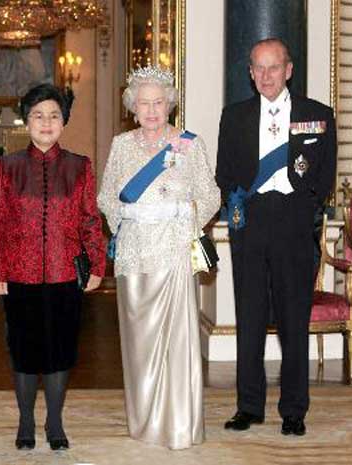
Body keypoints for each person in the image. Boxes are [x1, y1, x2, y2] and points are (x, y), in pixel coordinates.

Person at [216, 38, 336, 436]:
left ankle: (294, 410)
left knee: (292, 321)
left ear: (288, 70)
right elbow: (226, 174)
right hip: (250, 225)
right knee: (249, 318)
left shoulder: (317, 115)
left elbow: (324, 177)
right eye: (258, 68)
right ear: (250, 73)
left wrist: (303, 212)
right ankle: (248, 406)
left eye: (273, 67)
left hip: (293, 226)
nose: (266, 76)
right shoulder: (233, 117)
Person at [98, 66, 220, 450]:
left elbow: (211, 194)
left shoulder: (189, 144)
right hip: (135, 253)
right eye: (144, 103)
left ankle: (180, 424)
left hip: (173, 252)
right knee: (140, 343)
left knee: (178, 343)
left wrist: (186, 217)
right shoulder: (121, 145)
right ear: (133, 108)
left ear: (170, 105)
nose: (152, 110)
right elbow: (106, 197)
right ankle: (144, 421)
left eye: (159, 103)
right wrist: (128, 217)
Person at [0, 83, 106, 451]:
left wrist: (98, 265)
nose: (46, 122)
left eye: (54, 115)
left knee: (59, 352)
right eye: (38, 115)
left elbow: (90, 220)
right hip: (19, 276)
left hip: (64, 275)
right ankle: (25, 423)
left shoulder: (79, 166)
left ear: (63, 121)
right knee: (23, 352)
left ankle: (54, 422)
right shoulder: (6, 167)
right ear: (27, 119)